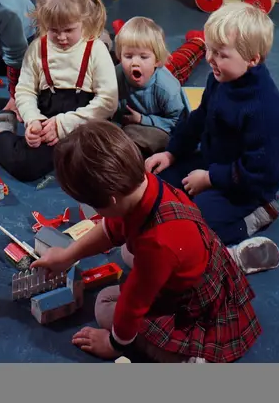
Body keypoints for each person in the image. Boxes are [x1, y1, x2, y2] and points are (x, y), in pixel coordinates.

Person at [30, 121, 261, 363]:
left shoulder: (156, 245)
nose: (95, 213)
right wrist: (67, 256)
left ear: (112, 200)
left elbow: (132, 305)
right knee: (127, 250)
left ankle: (184, 359)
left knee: (105, 304)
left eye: (96, 207)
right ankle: (231, 255)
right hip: (198, 257)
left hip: (194, 306)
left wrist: (113, 345)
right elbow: (111, 229)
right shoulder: (143, 185)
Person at [146, 2, 279, 260]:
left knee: (195, 225)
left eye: (221, 54)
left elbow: (260, 171)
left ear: (253, 59)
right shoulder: (220, 78)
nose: (209, 59)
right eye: (210, 49)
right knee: (156, 184)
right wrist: (172, 153)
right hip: (215, 163)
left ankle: (257, 215)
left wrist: (210, 178)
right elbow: (199, 118)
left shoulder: (266, 110)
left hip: (248, 187)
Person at [0, 0, 117, 183]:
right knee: (25, 165)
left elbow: (108, 102)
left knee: (107, 163)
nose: (62, 37)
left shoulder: (96, 50)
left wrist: (64, 125)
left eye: (69, 30)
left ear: (85, 19)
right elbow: (25, 91)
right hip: (48, 122)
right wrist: (33, 120)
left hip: (85, 122)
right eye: (54, 30)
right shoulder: (38, 48)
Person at [114, 17, 189, 155]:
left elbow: (179, 122)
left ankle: (197, 41)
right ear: (120, 56)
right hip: (126, 128)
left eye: (143, 57)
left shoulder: (167, 88)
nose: (134, 63)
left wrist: (142, 119)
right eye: (128, 56)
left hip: (158, 128)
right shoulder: (116, 75)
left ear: (157, 61)